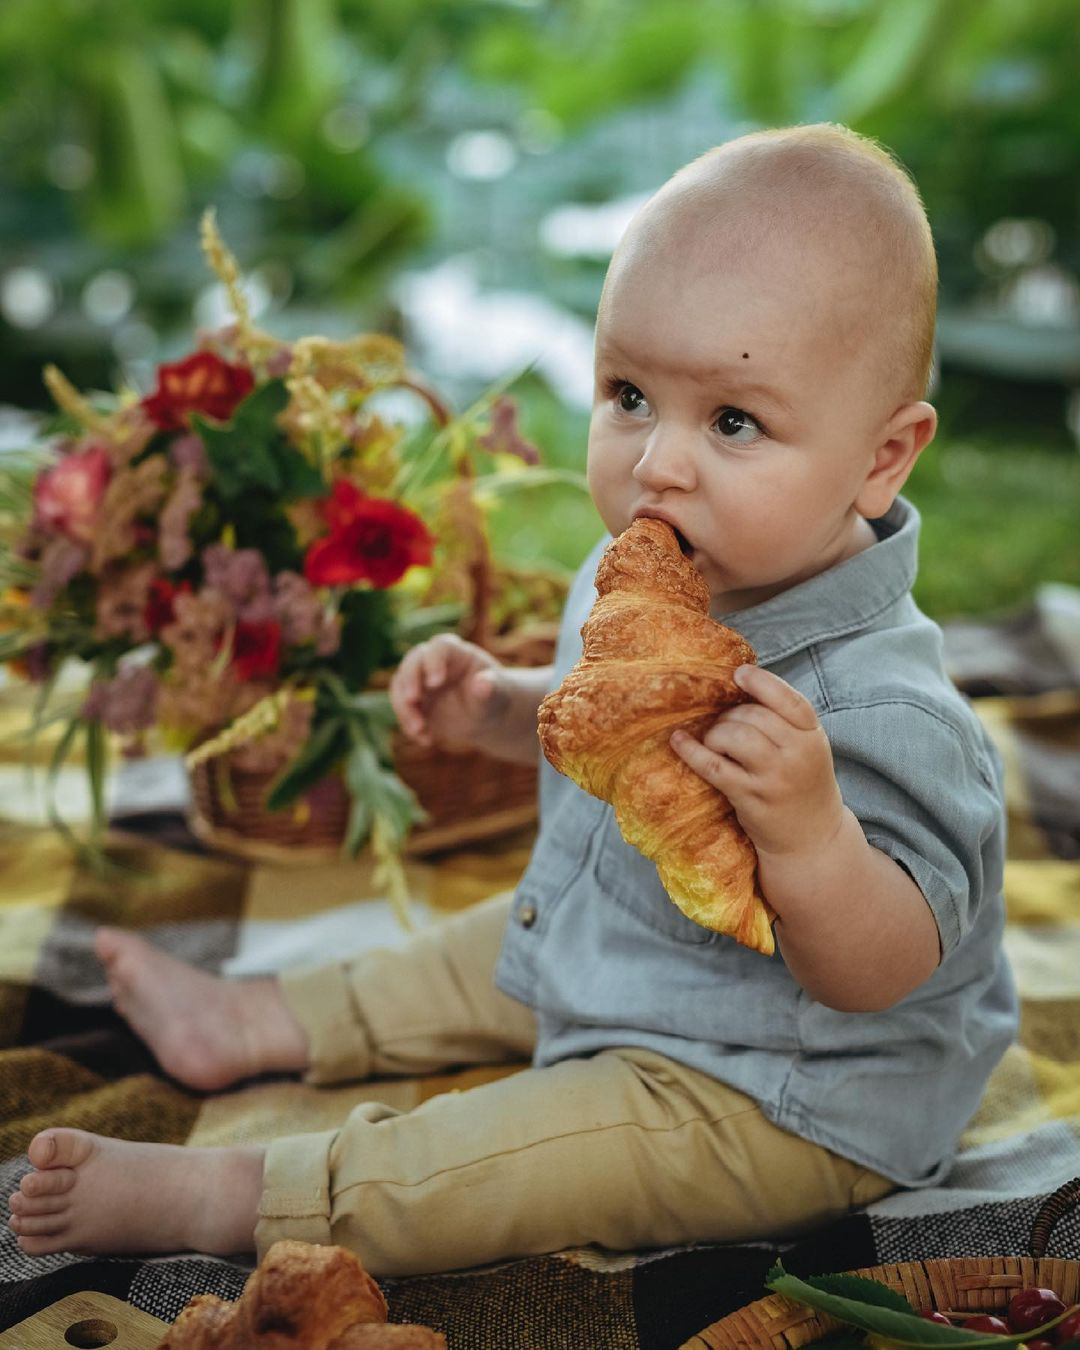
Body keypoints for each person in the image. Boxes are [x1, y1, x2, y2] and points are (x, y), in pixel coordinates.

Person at [7, 123, 1018, 1277]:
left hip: (779, 1089)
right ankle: (263, 1021)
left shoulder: (886, 710)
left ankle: (249, 1193)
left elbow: (879, 972)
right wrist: (505, 710)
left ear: (884, 457)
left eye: (732, 421)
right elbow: (605, 730)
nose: (658, 464)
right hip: (632, 942)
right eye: (629, 393)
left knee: (513, 1157)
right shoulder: (650, 565)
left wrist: (812, 836)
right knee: (480, 944)